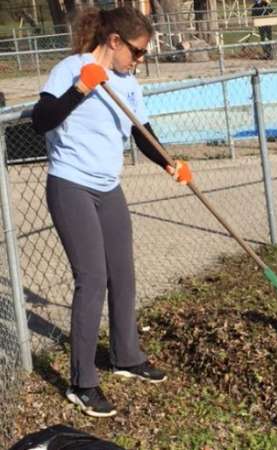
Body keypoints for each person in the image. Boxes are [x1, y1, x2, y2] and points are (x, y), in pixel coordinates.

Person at [32, 6, 192, 418]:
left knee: (122, 273)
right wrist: (80, 90)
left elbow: (142, 132)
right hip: (71, 184)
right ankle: (81, 382)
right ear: (114, 42)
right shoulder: (71, 68)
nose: (139, 61)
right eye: (136, 52)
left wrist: (169, 162)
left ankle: (126, 356)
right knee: (92, 278)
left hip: (108, 187)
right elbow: (41, 120)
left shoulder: (129, 83)